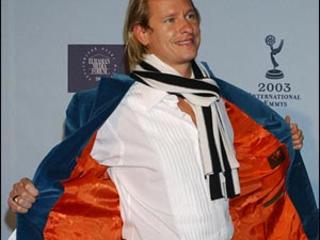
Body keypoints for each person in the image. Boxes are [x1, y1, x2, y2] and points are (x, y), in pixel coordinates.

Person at [7, 0, 318, 239]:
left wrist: (282, 141)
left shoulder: (220, 101)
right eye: (170, 20)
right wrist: (30, 200)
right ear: (142, 33)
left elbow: (253, 170)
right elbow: (70, 185)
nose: (186, 27)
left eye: (190, 16)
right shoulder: (118, 110)